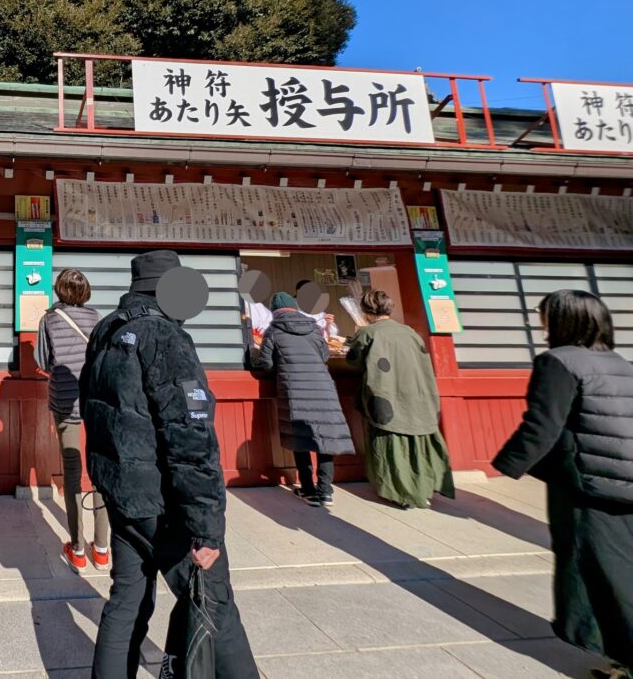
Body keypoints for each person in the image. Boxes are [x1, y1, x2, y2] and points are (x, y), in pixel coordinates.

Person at [82, 249, 259, 679]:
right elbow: (189, 436)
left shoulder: (107, 330)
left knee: (127, 601)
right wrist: (206, 525)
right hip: (165, 502)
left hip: (121, 491)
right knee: (212, 600)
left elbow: (94, 408)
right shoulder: (164, 336)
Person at [493, 290, 633, 679]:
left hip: (587, 485)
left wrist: (507, 464)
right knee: (621, 571)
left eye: (543, 317)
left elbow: (542, 425)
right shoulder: (617, 362)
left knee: (605, 578)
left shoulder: (556, 362)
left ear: (562, 320)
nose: (539, 324)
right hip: (624, 481)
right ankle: (616, 656)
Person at [346, 289, 454, 509]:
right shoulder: (410, 332)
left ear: (366, 310)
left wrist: (355, 335)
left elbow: (353, 360)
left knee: (392, 446)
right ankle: (425, 488)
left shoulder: (368, 333)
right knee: (418, 443)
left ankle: (402, 493)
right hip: (417, 395)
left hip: (387, 395)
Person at [35, 267, 110, 573]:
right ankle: (102, 549)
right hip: (97, 400)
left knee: (72, 471)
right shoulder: (97, 319)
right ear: (85, 291)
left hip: (65, 401)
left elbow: (42, 361)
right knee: (102, 469)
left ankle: (77, 547)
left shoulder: (49, 319)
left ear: (58, 290)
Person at [252, 292, 355, 506]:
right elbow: (325, 355)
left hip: (295, 388)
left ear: (274, 310)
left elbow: (267, 364)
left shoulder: (273, 330)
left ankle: (308, 489)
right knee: (327, 438)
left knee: (301, 439)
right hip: (323, 387)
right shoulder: (314, 328)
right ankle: (326, 491)